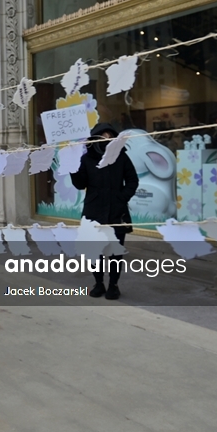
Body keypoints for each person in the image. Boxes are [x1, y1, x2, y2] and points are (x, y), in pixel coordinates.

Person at [70, 123, 139, 300]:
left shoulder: (121, 157)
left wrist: (121, 197)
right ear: (95, 138)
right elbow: (80, 183)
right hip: (94, 211)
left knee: (115, 253)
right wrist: (72, 170)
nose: (106, 139)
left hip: (117, 212)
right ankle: (98, 283)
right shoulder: (87, 159)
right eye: (102, 136)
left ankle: (113, 285)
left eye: (110, 136)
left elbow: (132, 180)